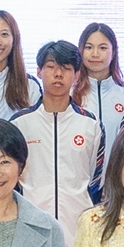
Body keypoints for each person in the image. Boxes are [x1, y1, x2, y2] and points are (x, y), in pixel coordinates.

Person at [14, 41, 104, 229]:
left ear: (77, 75)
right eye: (51, 67)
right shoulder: (19, 123)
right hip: (30, 226)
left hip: (78, 227)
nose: (58, 74)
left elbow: (95, 182)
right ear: (38, 71)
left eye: (66, 68)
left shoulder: (91, 125)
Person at [76, 22, 124, 139]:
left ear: (113, 52)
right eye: (88, 47)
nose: (95, 54)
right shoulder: (69, 93)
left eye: (103, 48)